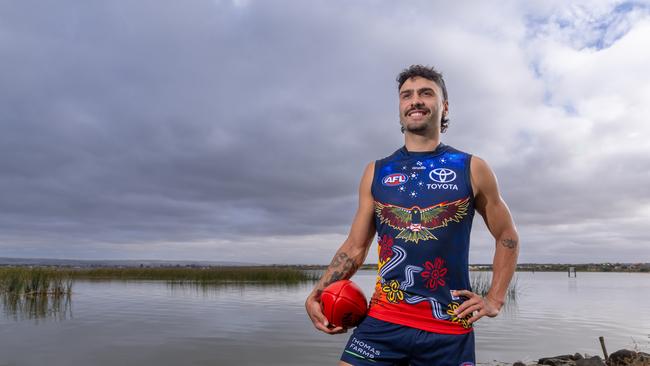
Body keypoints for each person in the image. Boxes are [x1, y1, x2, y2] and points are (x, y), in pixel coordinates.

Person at [305, 64, 519, 366]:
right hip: (382, 320)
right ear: (400, 107)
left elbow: (507, 236)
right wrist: (319, 291)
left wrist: (494, 299)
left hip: (448, 325)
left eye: (426, 93)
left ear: (443, 106)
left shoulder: (471, 168)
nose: (415, 100)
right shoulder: (376, 171)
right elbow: (355, 246)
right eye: (407, 95)